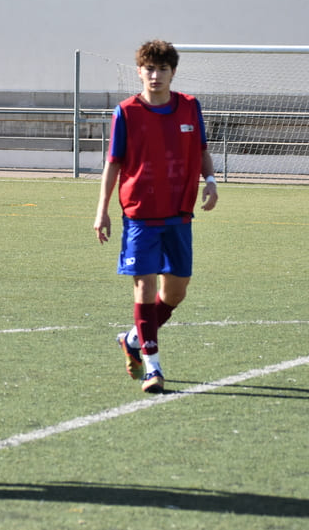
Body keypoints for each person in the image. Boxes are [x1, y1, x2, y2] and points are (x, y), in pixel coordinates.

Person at [93, 39, 219, 394]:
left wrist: (210, 181)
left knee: (175, 293)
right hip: (140, 215)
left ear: (172, 72)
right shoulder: (126, 112)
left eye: (163, 69)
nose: (156, 75)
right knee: (144, 288)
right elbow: (113, 164)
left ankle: (133, 338)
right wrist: (102, 211)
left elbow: (203, 151)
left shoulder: (190, 108)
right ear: (139, 72)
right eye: (149, 68)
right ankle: (153, 367)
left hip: (179, 214)